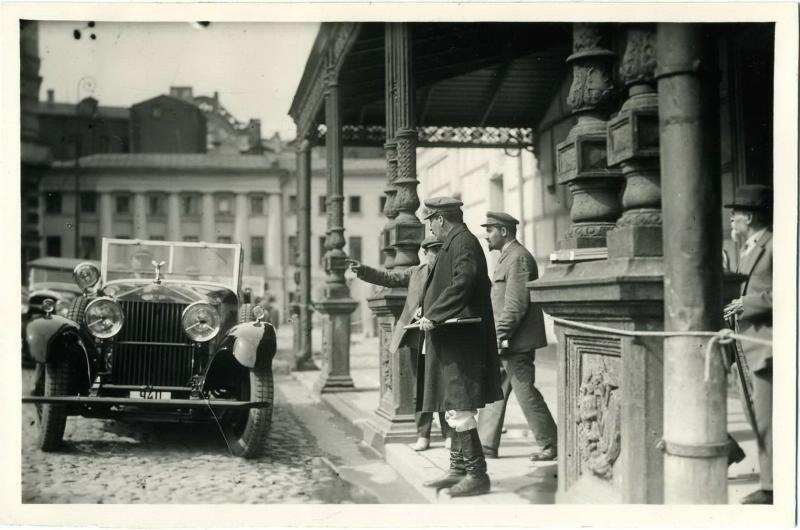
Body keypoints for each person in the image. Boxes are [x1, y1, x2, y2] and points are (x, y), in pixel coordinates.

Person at [417, 196, 503, 497]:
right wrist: (427, 311)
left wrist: (434, 313)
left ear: (441, 218)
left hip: (461, 339)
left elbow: (463, 283)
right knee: (453, 402)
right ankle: (457, 469)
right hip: (452, 337)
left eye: (430, 221)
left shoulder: (463, 242)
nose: (430, 227)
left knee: (460, 404)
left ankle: (477, 475)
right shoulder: (457, 242)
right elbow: (450, 285)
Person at [347, 236, 453, 451]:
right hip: (418, 336)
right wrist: (364, 271)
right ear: (425, 254)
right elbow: (388, 277)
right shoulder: (415, 273)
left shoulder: (451, 275)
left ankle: (448, 434)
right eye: (433, 252)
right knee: (421, 387)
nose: (437, 256)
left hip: (443, 336)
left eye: (440, 251)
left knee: (443, 386)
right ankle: (423, 435)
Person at [476, 212, 558, 461]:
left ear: (503, 231)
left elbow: (515, 304)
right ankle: (485, 445)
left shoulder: (518, 258)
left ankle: (552, 443)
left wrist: (499, 336)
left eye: (489, 230)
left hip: (515, 343)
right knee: (495, 389)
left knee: (525, 391)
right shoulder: (507, 258)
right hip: (507, 341)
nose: (486, 236)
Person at [723, 184, 773, 505]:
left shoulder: (776, 245)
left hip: (765, 344)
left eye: (735, 214)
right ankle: (770, 480)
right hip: (744, 346)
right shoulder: (747, 248)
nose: (731, 220)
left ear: (750, 216)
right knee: (754, 414)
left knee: (769, 418)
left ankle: (771, 488)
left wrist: (747, 303)